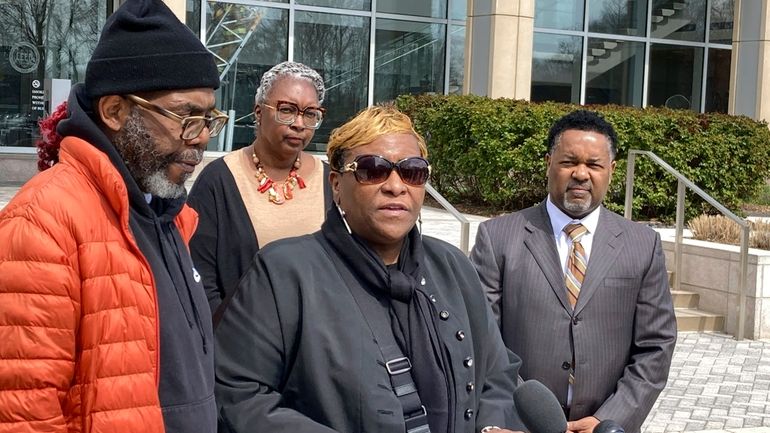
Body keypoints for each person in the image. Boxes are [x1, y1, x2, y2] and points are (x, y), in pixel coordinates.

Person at [214, 105, 525, 433]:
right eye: (373, 169)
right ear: (336, 185)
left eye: (413, 171)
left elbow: (497, 373)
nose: (395, 185)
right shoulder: (284, 272)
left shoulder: (452, 266)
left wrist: (492, 425)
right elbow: (239, 395)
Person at [0, 0, 224, 431]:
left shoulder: (168, 213)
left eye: (208, 117)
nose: (201, 139)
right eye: (185, 116)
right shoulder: (42, 222)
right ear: (116, 111)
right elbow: (22, 414)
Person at [470, 110, 677, 433]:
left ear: (611, 170)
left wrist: (611, 418)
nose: (581, 174)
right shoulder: (497, 238)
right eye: (569, 162)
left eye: (593, 164)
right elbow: (481, 340)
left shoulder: (642, 244)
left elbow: (656, 345)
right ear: (549, 162)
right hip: (518, 424)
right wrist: (502, 419)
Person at [188, 61, 332, 315]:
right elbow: (201, 278)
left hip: (320, 339)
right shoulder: (219, 180)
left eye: (310, 114)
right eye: (286, 110)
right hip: (241, 341)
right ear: (258, 112)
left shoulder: (331, 181)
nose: (299, 123)